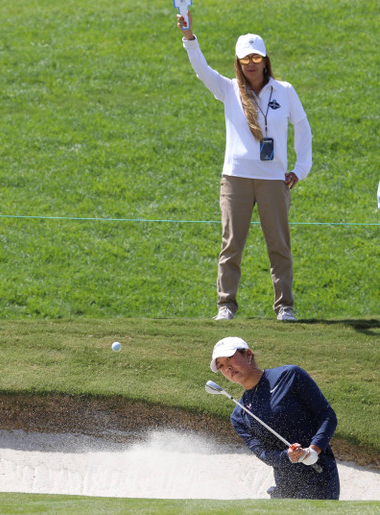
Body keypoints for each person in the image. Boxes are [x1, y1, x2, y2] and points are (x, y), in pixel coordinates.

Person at [177, 11, 312, 321]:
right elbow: (201, 69)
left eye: (256, 57)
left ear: (265, 61)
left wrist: (300, 169)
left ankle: (285, 307)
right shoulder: (228, 89)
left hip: (273, 180)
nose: (251, 63)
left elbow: (303, 129)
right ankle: (225, 305)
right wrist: (188, 36)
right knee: (231, 246)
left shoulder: (285, 91)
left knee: (279, 246)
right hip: (235, 179)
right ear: (238, 63)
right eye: (245, 59)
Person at [210, 336, 340, 499]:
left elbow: (327, 415)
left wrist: (314, 449)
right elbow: (263, 453)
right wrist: (288, 456)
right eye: (221, 365)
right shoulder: (239, 416)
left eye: (230, 358)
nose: (227, 368)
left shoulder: (289, 376)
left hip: (319, 476)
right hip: (285, 486)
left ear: (248, 354)